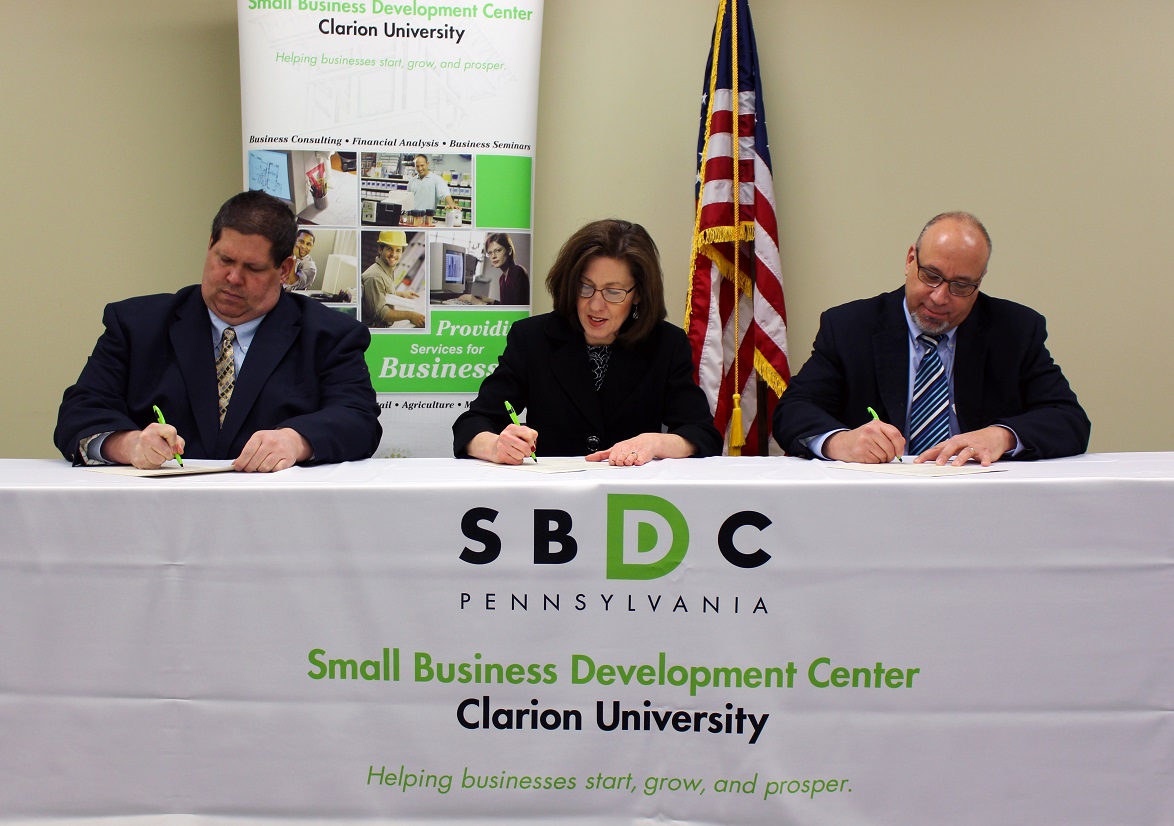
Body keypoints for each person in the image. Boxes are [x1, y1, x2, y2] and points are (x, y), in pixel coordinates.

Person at [54, 190, 382, 472]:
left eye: (252, 268)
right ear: (210, 245)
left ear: (283, 270)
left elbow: (358, 421)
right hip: (156, 517)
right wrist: (128, 445)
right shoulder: (136, 324)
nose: (233, 278)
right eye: (224, 259)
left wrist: (295, 441)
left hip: (278, 520)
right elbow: (78, 413)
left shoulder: (330, 335)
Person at [772, 211, 1090, 465]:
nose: (939, 297)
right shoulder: (849, 327)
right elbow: (792, 411)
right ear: (911, 260)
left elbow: (1070, 420)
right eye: (931, 276)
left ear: (980, 283)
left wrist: (1001, 436)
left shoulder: (1015, 331)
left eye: (961, 286)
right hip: (874, 501)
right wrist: (841, 442)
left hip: (981, 500)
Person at [453, 219, 722, 464]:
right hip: (551, 500)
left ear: (637, 294)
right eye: (585, 287)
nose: (596, 305)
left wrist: (656, 441)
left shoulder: (666, 343)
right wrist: (495, 445)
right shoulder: (532, 338)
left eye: (613, 292)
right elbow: (473, 423)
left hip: (632, 499)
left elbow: (702, 434)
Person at [360, 230, 425, 327]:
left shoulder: (386, 269)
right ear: (380, 249)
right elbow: (379, 313)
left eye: (398, 250)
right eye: (389, 249)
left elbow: (381, 293)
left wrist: (401, 294)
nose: (393, 254)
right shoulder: (375, 276)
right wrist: (410, 315)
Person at [407, 154, 457, 219]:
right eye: (417, 166)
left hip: (427, 218)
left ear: (427, 164)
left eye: (422, 165)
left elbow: (445, 193)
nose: (420, 168)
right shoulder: (411, 181)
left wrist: (451, 204)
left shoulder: (436, 179)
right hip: (412, 218)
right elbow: (408, 199)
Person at [486, 232, 529, 305]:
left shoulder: (517, 272)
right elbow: (506, 305)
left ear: (509, 251)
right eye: (490, 253)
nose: (493, 256)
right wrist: (489, 300)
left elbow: (514, 309)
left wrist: (481, 304)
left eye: (498, 250)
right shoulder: (502, 279)